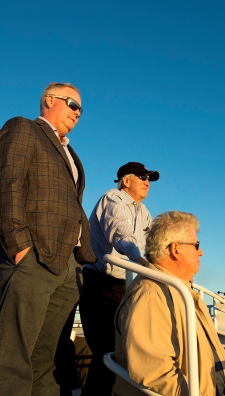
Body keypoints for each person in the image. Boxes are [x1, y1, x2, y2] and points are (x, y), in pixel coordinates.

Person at [0, 82, 96, 396]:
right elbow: (6, 185)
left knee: (44, 360)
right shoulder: (23, 129)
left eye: (81, 109)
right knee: (12, 357)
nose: (77, 113)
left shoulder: (70, 152)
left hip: (68, 265)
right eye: (72, 104)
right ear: (49, 100)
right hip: (33, 258)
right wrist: (20, 248)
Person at [112, 211, 225, 396]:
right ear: (176, 249)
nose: (201, 252)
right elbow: (157, 374)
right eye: (196, 245)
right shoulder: (150, 295)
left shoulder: (178, 291)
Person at [79, 162, 159, 395]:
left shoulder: (142, 211)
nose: (147, 182)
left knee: (119, 349)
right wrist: (137, 258)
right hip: (98, 282)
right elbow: (120, 231)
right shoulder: (112, 199)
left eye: (149, 179)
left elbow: (157, 236)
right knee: (107, 350)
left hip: (122, 284)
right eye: (143, 177)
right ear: (126, 180)